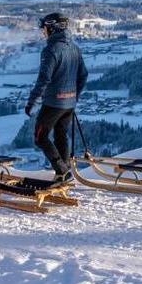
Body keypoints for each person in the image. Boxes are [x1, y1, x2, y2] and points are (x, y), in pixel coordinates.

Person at [25, 12, 88, 183]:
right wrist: (74, 97)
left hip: (53, 103)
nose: (43, 32)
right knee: (61, 136)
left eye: (45, 29)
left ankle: (62, 170)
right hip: (69, 104)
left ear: (52, 28)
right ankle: (64, 173)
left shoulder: (50, 50)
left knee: (40, 137)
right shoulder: (74, 48)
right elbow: (83, 75)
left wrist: (31, 102)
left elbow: (43, 79)